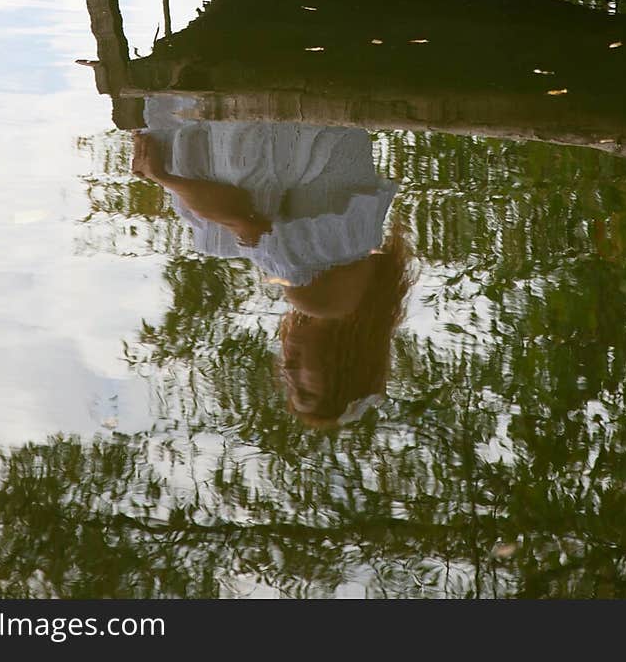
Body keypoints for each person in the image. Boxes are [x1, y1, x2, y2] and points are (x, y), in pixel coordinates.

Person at [131, 102, 416, 428]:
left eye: (289, 387)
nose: (287, 371)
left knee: (219, 236)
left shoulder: (357, 288)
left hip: (314, 119)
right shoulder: (322, 301)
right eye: (304, 387)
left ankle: (195, 104)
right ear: (342, 367)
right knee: (220, 234)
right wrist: (163, 177)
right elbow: (242, 217)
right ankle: (204, 101)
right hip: (292, 117)